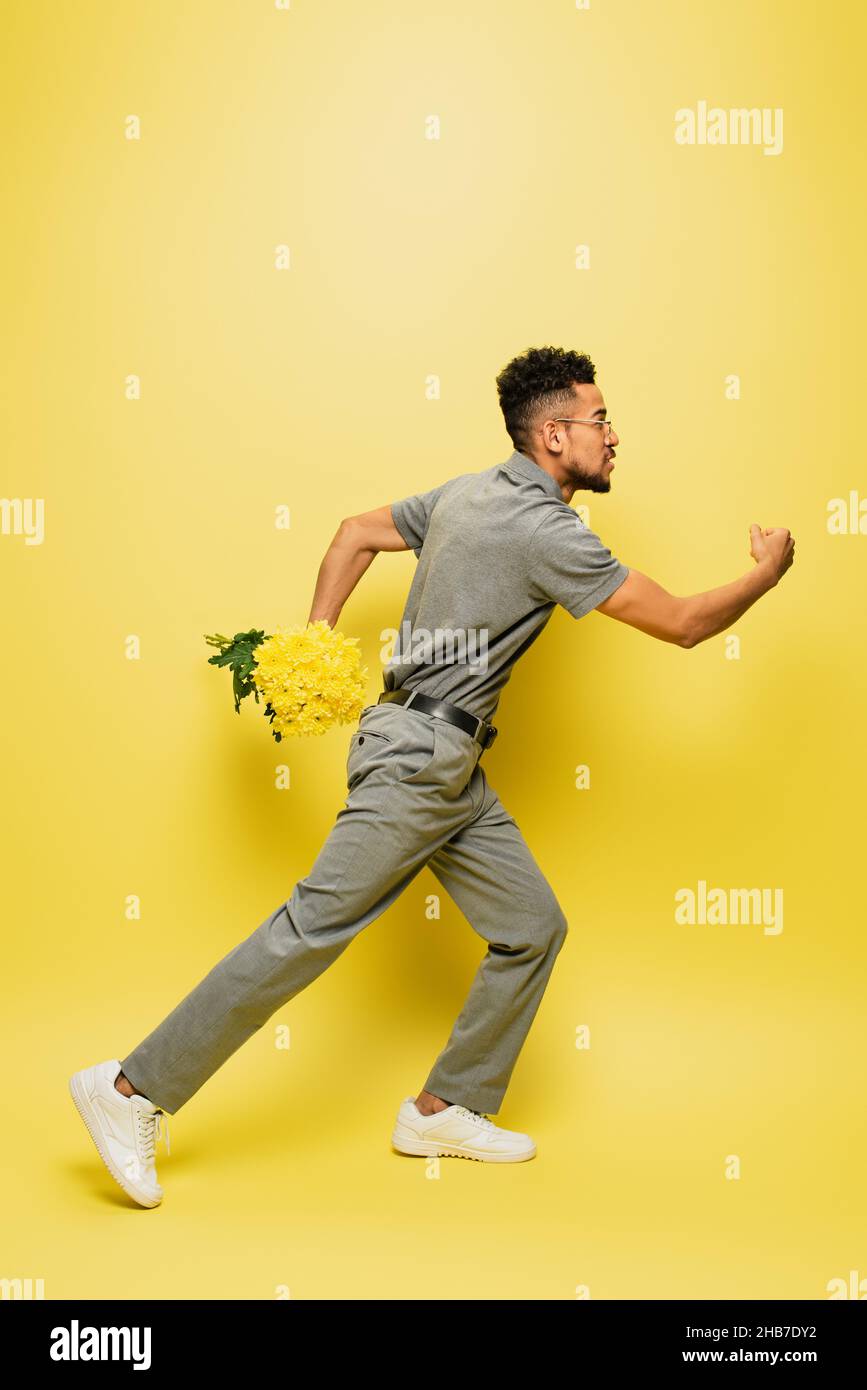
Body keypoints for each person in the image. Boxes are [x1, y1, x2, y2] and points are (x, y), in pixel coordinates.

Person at [69, 345, 795, 1206]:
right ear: (554, 434)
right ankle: (130, 1089)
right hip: (419, 762)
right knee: (308, 931)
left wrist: (318, 636)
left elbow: (352, 533)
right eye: (599, 421)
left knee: (531, 927)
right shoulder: (545, 531)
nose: (611, 436)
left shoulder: (465, 491)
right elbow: (679, 624)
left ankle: (442, 1107)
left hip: (443, 761)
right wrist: (764, 573)